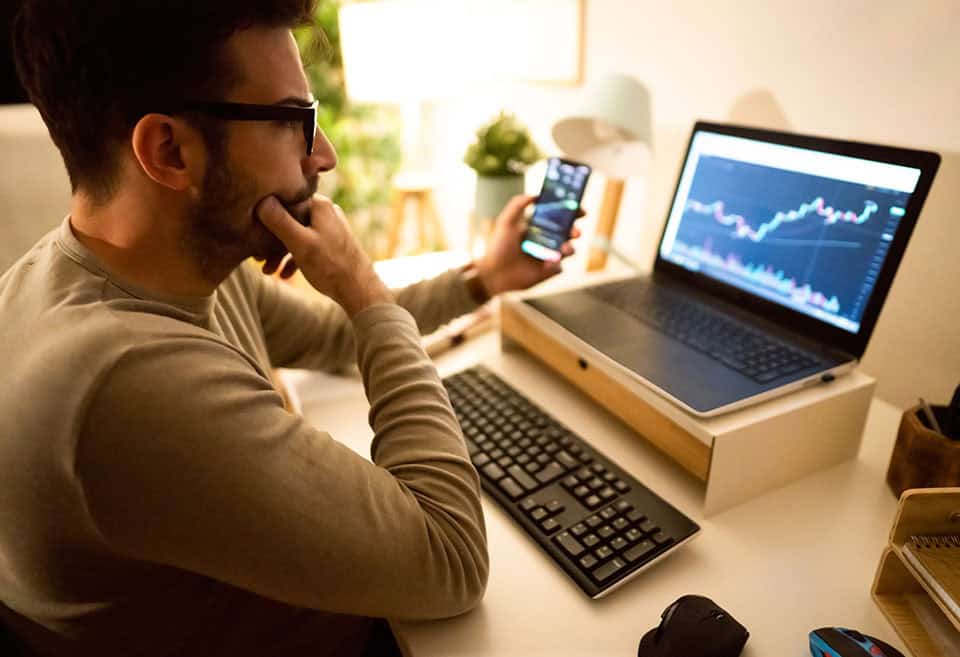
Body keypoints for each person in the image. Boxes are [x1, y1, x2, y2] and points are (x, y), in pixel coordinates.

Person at [0, 1, 581, 656]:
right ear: (168, 149)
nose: (324, 156)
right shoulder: (122, 380)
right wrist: (361, 285)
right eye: (296, 122)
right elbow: (450, 556)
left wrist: (483, 279)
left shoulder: (144, 266)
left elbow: (333, 338)